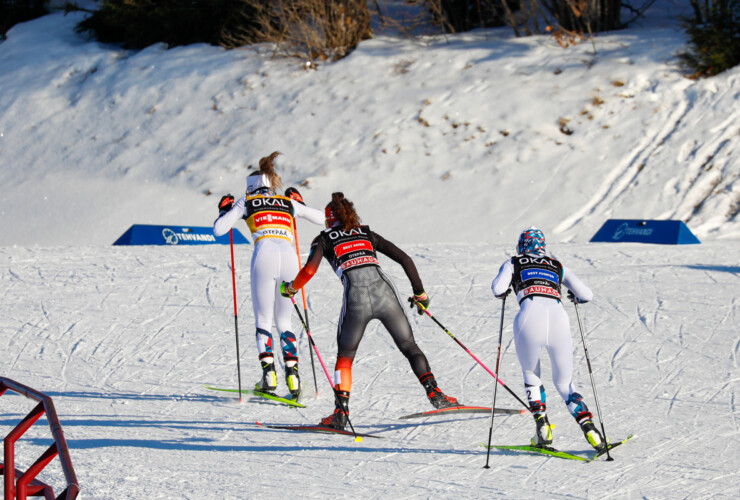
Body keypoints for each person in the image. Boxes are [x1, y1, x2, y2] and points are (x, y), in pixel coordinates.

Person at [280, 192, 460, 430]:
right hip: (385, 295)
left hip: (356, 300)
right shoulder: (366, 232)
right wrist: (420, 294)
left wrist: (291, 288)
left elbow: (309, 271)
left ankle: (340, 415)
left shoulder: (324, 238)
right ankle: (435, 394)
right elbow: (405, 259)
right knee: (409, 347)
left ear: (327, 219)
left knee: (345, 357)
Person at [213, 151, 324, 399]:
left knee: (263, 319)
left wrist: (225, 210)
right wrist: (300, 204)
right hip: (290, 259)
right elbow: (323, 219)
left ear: (251, 186)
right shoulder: (287, 203)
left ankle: (269, 376)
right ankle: (293, 378)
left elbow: (220, 230)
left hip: (264, 254)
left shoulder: (246, 202)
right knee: (285, 322)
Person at [490, 226, 605, 451]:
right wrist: (575, 297)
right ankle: (592, 432)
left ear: (521, 245)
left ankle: (543, 429)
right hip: (559, 319)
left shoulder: (514, 262)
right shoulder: (557, 264)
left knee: (531, 374)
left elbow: (497, 289)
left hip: (528, 316)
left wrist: (507, 290)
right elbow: (587, 295)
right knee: (564, 383)